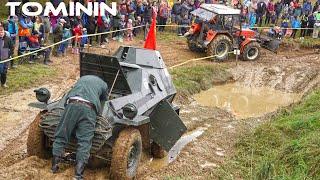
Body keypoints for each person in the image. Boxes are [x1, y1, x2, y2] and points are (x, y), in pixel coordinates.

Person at [51, 75, 108, 180]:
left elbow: (70, 93)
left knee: (61, 134)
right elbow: (103, 101)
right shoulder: (104, 84)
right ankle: (78, 175)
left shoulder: (82, 78)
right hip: (89, 109)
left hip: (71, 104)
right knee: (85, 142)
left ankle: (54, 167)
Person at [0, 24, 14, 88]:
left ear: (4, 31)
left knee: (4, 71)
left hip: (5, 58)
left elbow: (12, 47)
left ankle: (3, 83)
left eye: (2, 32)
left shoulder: (8, 39)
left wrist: (10, 54)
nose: (1, 33)